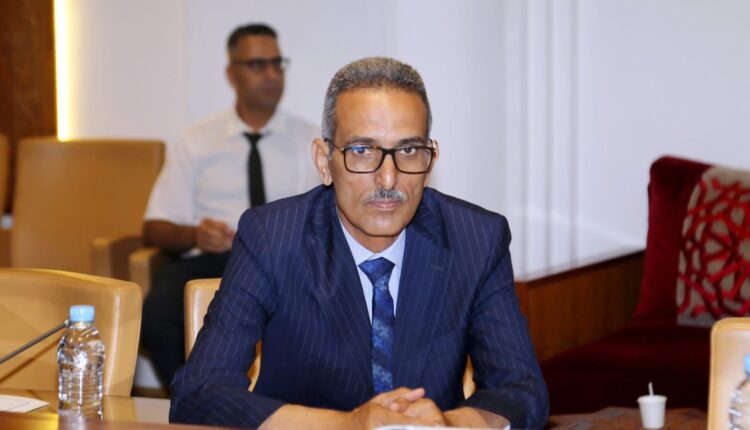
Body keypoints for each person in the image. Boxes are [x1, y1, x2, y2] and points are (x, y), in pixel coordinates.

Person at [170, 57, 548, 429]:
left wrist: (447, 425)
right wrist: (346, 425)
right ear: (324, 161)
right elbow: (200, 392)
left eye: (408, 150)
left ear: (430, 160)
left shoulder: (476, 239)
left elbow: (521, 391)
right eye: (362, 151)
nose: (388, 179)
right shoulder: (272, 237)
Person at [141, 23, 318, 389]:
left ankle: (273, 400)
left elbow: (325, 217)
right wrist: (196, 234)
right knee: (157, 312)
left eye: (277, 63)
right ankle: (194, 395)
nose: (271, 74)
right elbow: (155, 226)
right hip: (214, 256)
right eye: (257, 64)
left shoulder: (310, 140)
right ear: (231, 74)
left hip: (283, 260)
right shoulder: (197, 141)